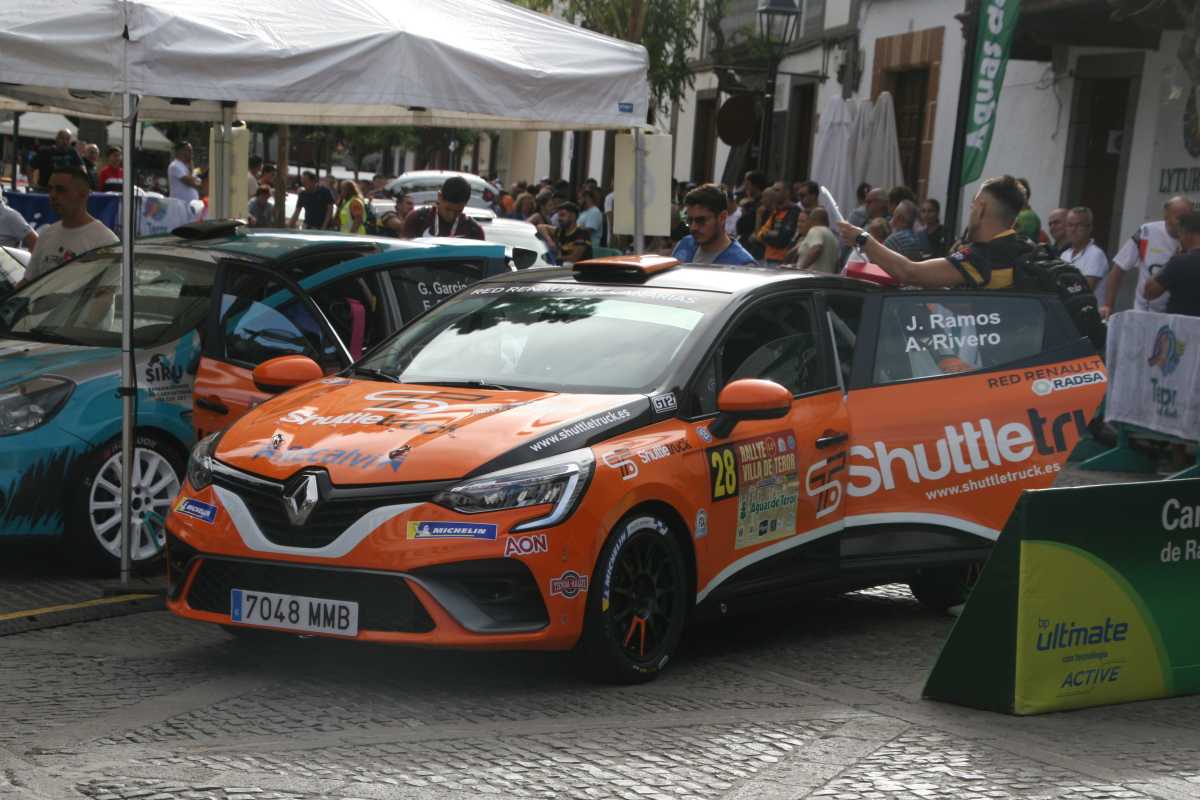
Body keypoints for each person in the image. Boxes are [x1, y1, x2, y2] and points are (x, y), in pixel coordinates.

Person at [838, 174, 1028, 289]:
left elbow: (910, 272)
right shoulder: (1022, 248)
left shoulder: (981, 257)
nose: (970, 212)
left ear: (981, 208)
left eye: (972, 206)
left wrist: (862, 238)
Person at [1103, 195, 1193, 317]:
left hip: (1177, 316)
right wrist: (1108, 305)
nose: (1185, 223)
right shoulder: (1147, 232)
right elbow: (1118, 269)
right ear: (1166, 216)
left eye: (1189, 218)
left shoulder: (1194, 237)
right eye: (1179, 218)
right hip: (1144, 313)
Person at [24, 166, 117, 283]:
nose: (53, 195)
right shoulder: (46, 235)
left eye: (61, 190)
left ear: (83, 194)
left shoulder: (105, 241)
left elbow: (107, 292)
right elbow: (27, 282)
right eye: (50, 189)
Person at [671, 183, 757, 266]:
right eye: (689, 220)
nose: (693, 228)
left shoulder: (742, 264)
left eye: (701, 220)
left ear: (722, 217)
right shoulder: (684, 244)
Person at [1144, 210, 1200, 316]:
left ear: (1187, 234)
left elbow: (1149, 292)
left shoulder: (1180, 262)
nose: (1179, 240)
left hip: (1182, 324)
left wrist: (1173, 259)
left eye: (1180, 234)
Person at [401, 176, 485, 240]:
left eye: (458, 211)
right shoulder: (417, 220)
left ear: (466, 203)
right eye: (448, 209)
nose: (451, 215)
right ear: (439, 197)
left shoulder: (473, 230)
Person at [1061, 207, 1109, 299]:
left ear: (1089, 228)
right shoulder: (1064, 255)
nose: (1073, 229)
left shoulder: (1096, 254)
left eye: (1079, 225)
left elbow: (1085, 289)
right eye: (1070, 225)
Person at [754, 188, 802, 266]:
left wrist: (767, 235)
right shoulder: (774, 213)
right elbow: (759, 235)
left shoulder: (792, 211)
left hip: (781, 258)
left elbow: (782, 239)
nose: (761, 200)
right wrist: (768, 234)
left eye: (764, 197)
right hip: (769, 256)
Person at [787, 208, 839, 273]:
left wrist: (800, 268)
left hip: (811, 277)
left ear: (813, 220)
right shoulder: (833, 236)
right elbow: (836, 263)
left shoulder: (816, 229)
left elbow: (817, 249)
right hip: (827, 277)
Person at [735, 170, 768, 255]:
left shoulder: (763, 203)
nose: (745, 187)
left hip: (755, 246)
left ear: (755, 185)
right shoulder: (748, 203)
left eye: (747, 184)